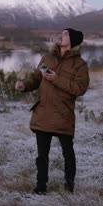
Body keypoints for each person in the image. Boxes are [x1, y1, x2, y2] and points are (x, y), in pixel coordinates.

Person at [15, 28, 90, 195]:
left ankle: (69, 188)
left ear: (73, 40)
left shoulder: (80, 65)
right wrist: (24, 85)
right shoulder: (47, 58)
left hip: (63, 113)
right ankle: (40, 187)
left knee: (68, 153)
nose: (60, 35)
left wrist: (57, 79)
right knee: (42, 155)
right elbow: (36, 78)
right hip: (43, 111)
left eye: (65, 34)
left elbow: (80, 88)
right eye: (61, 33)